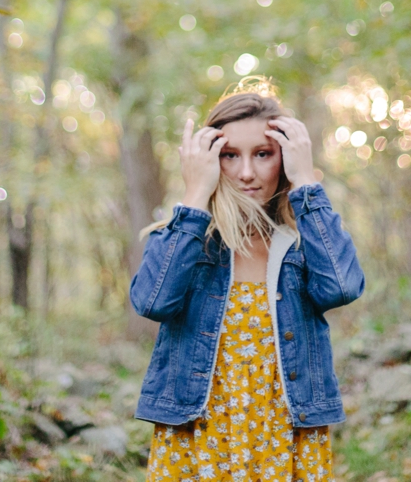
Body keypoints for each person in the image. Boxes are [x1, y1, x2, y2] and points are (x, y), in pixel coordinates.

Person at [131, 81, 365, 482]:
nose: (246, 172)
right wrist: (195, 196)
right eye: (228, 156)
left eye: (263, 154)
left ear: (285, 157)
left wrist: (306, 182)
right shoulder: (185, 238)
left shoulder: (302, 241)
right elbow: (153, 301)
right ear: (207, 160)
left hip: (286, 431)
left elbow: (342, 287)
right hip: (199, 430)